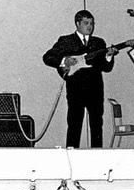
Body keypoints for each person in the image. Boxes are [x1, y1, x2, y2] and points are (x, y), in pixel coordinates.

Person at [43, 9, 118, 148]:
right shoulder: (66, 41)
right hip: (75, 89)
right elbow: (47, 57)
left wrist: (109, 56)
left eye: (92, 23)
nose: (90, 26)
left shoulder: (99, 43)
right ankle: (71, 159)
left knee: (97, 125)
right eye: (86, 23)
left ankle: (97, 158)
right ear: (77, 24)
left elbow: (106, 68)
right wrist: (64, 61)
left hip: (95, 89)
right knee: (74, 125)